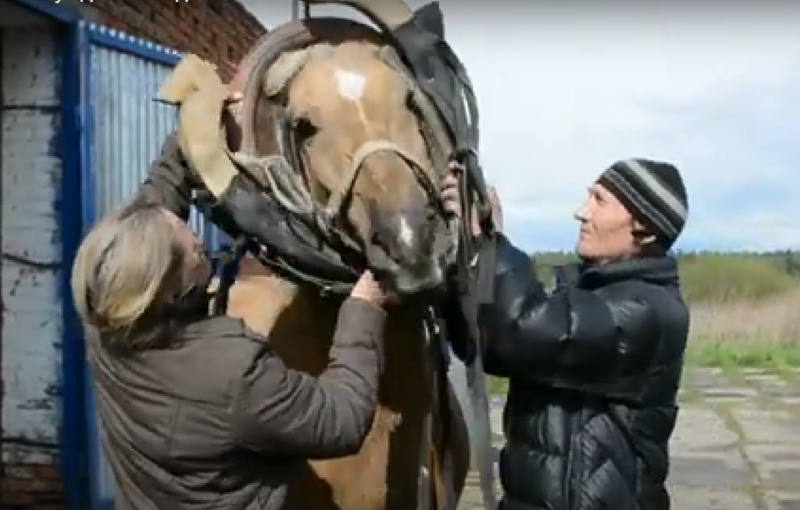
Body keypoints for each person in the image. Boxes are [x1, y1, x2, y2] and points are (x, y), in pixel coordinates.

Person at [71, 116, 392, 509]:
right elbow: (342, 419)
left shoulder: (106, 325)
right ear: (176, 290)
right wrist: (362, 309)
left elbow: (151, 216)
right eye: (192, 247)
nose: (195, 237)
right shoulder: (232, 373)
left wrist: (197, 124)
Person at [441, 158, 690, 510]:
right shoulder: (582, 296)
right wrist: (463, 256)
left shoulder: (648, 311)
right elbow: (487, 342)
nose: (581, 212)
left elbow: (524, 330)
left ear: (645, 229)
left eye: (599, 201)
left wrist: (490, 243)